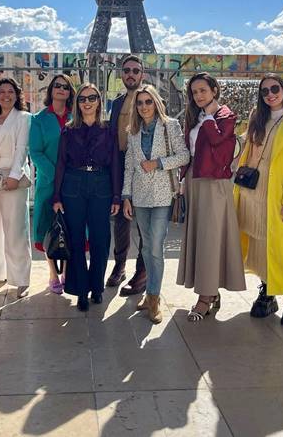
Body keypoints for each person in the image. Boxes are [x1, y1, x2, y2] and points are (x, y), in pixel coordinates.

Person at [234, 74, 283, 326]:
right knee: (260, 241)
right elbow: (245, 149)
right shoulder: (258, 118)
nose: (270, 94)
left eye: (275, 88)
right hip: (254, 191)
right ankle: (268, 289)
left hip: (280, 193)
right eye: (265, 91)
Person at [177, 73, 246, 321]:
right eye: (194, 92)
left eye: (203, 90)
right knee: (201, 237)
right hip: (196, 180)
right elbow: (192, 151)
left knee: (210, 238)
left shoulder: (225, 116)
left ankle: (205, 297)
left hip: (215, 183)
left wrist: (207, 118)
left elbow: (218, 141)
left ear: (214, 90)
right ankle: (210, 291)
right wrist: (184, 178)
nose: (198, 96)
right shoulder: (195, 117)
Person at [122, 85, 189, 323]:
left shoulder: (170, 125)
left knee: (155, 247)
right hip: (139, 197)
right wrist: (126, 196)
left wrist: (158, 163)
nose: (144, 107)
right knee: (146, 246)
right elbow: (129, 165)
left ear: (156, 103)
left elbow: (184, 156)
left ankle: (154, 297)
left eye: (148, 102)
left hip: (162, 196)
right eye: (139, 103)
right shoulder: (133, 131)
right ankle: (151, 292)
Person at [53, 83, 121, 311]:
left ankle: (97, 287)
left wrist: (116, 196)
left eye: (92, 98)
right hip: (73, 186)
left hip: (101, 186)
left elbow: (114, 165)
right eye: (83, 99)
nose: (87, 102)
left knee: (101, 240)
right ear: (77, 103)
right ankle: (81, 290)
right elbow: (61, 163)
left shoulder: (108, 130)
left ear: (99, 101)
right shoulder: (69, 130)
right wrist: (56, 196)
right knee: (76, 240)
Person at [0, 78, 32, 299]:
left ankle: (21, 279)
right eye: (2, 91)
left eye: (11, 91)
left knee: (16, 228)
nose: (6, 95)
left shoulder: (24, 118)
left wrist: (14, 175)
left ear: (17, 94)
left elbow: (22, 148)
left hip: (14, 177)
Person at [30, 73, 75, 293]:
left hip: (73, 182)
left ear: (69, 92)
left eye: (65, 87)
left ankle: (66, 272)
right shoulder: (38, 119)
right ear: (51, 90)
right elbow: (35, 152)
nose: (61, 89)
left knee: (69, 228)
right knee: (50, 227)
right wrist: (55, 175)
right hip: (48, 183)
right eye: (57, 86)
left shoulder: (75, 116)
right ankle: (52, 273)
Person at [107, 55, 147, 296]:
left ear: (142, 74)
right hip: (120, 165)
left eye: (135, 70)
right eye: (127, 70)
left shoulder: (150, 100)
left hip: (143, 167)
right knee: (121, 220)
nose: (131, 74)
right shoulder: (117, 102)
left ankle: (141, 272)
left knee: (142, 221)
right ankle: (120, 265)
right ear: (122, 74)